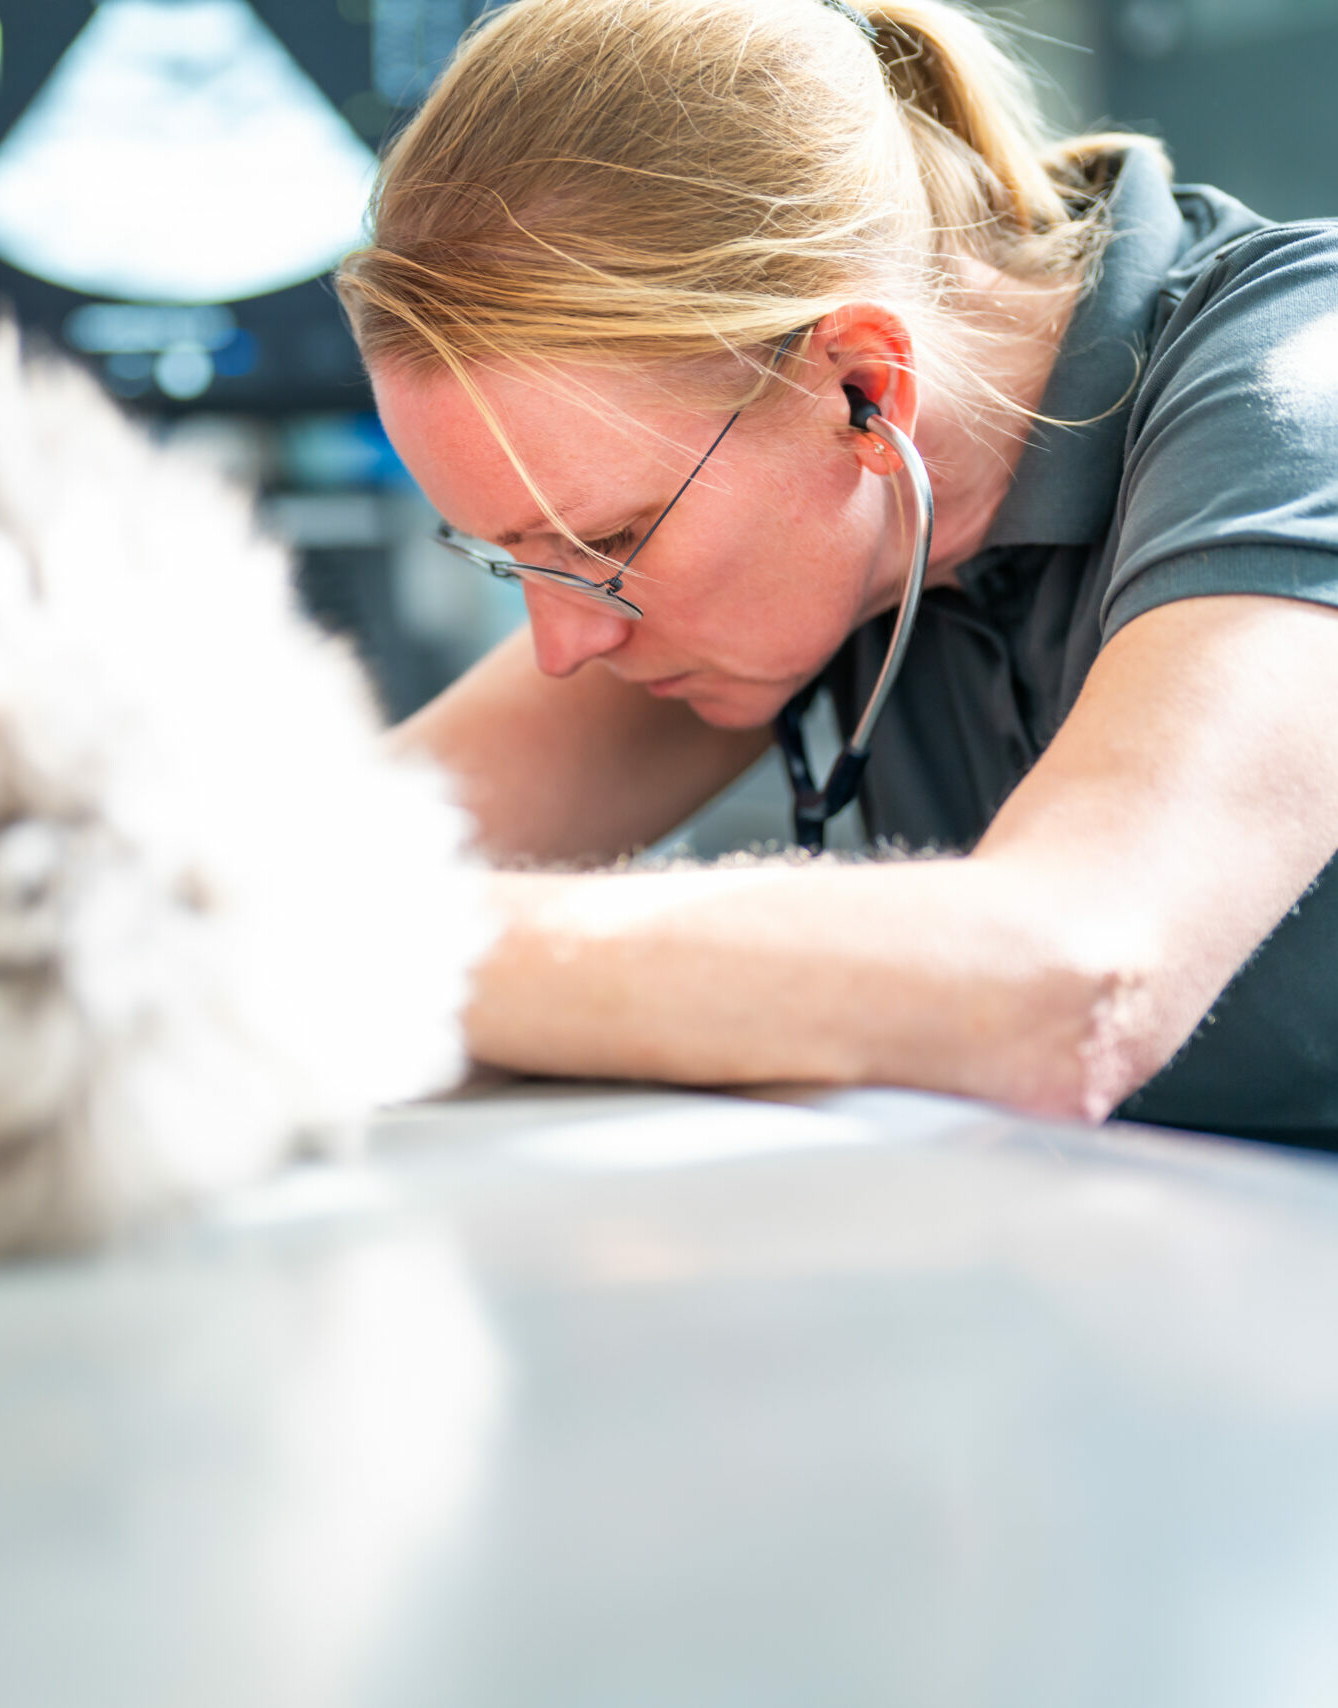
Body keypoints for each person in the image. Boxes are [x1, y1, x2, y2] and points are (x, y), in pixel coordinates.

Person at [336, 0, 1338, 1146]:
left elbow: (1072, 982)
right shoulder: (825, 546)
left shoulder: (1301, 376)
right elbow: (300, 870)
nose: (567, 649)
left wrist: (377, 946)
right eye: (514, 559)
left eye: (607, 546)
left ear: (865, 387)